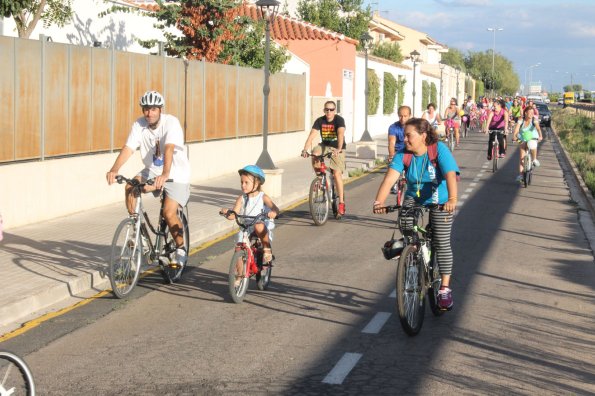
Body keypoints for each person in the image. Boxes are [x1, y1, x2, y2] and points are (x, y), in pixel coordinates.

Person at [373, 118, 460, 310]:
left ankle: (444, 289)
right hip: (416, 196)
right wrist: (379, 201)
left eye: (408, 135)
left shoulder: (438, 150)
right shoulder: (403, 155)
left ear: (423, 135)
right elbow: (389, 180)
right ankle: (411, 253)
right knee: (405, 221)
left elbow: (450, 175)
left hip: (440, 199)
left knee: (441, 241)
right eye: (404, 135)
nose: (404, 139)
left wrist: (452, 200)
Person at [106, 91, 191, 266]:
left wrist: (165, 175)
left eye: (153, 109)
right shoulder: (139, 124)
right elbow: (129, 148)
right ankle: (140, 236)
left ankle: (181, 248)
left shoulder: (171, 122)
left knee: (169, 212)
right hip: (152, 170)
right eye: (146, 109)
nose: (149, 113)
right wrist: (114, 169)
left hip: (175, 173)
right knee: (130, 187)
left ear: (160, 109)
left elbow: (168, 149)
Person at [220, 165, 279, 283]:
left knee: (258, 225)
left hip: (261, 224)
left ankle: (266, 249)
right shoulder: (241, 198)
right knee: (238, 249)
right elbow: (234, 214)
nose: (243, 185)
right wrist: (227, 213)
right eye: (241, 182)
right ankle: (240, 276)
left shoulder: (263, 197)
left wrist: (273, 213)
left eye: (246, 182)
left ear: (256, 183)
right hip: (246, 227)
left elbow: (275, 208)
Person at [301, 101, 347, 215]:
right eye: (327, 109)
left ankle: (341, 203)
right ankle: (320, 178)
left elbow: (340, 134)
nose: (329, 112)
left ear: (334, 111)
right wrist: (304, 149)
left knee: (336, 174)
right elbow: (312, 135)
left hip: (337, 148)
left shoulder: (339, 120)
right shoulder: (320, 120)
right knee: (315, 152)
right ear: (324, 110)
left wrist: (339, 148)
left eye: (331, 110)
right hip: (325, 146)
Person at [513, 106, 543, 183]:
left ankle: (534, 159)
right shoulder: (521, 120)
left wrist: (540, 136)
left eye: (533, 113)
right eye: (530, 113)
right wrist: (514, 136)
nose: (532, 114)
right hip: (522, 138)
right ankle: (520, 175)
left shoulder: (534, 120)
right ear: (526, 113)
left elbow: (538, 128)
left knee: (533, 145)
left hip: (533, 137)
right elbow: (516, 130)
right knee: (521, 157)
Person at [388, 106, 412, 193]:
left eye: (405, 116)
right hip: (398, 153)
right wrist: (391, 155)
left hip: (411, 152)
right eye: (400, 116)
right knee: (393, 169)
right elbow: (391, 142)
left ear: (410, 115)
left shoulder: (414, 126)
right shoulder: (393, 127)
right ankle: (394, 183)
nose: (403, 118)